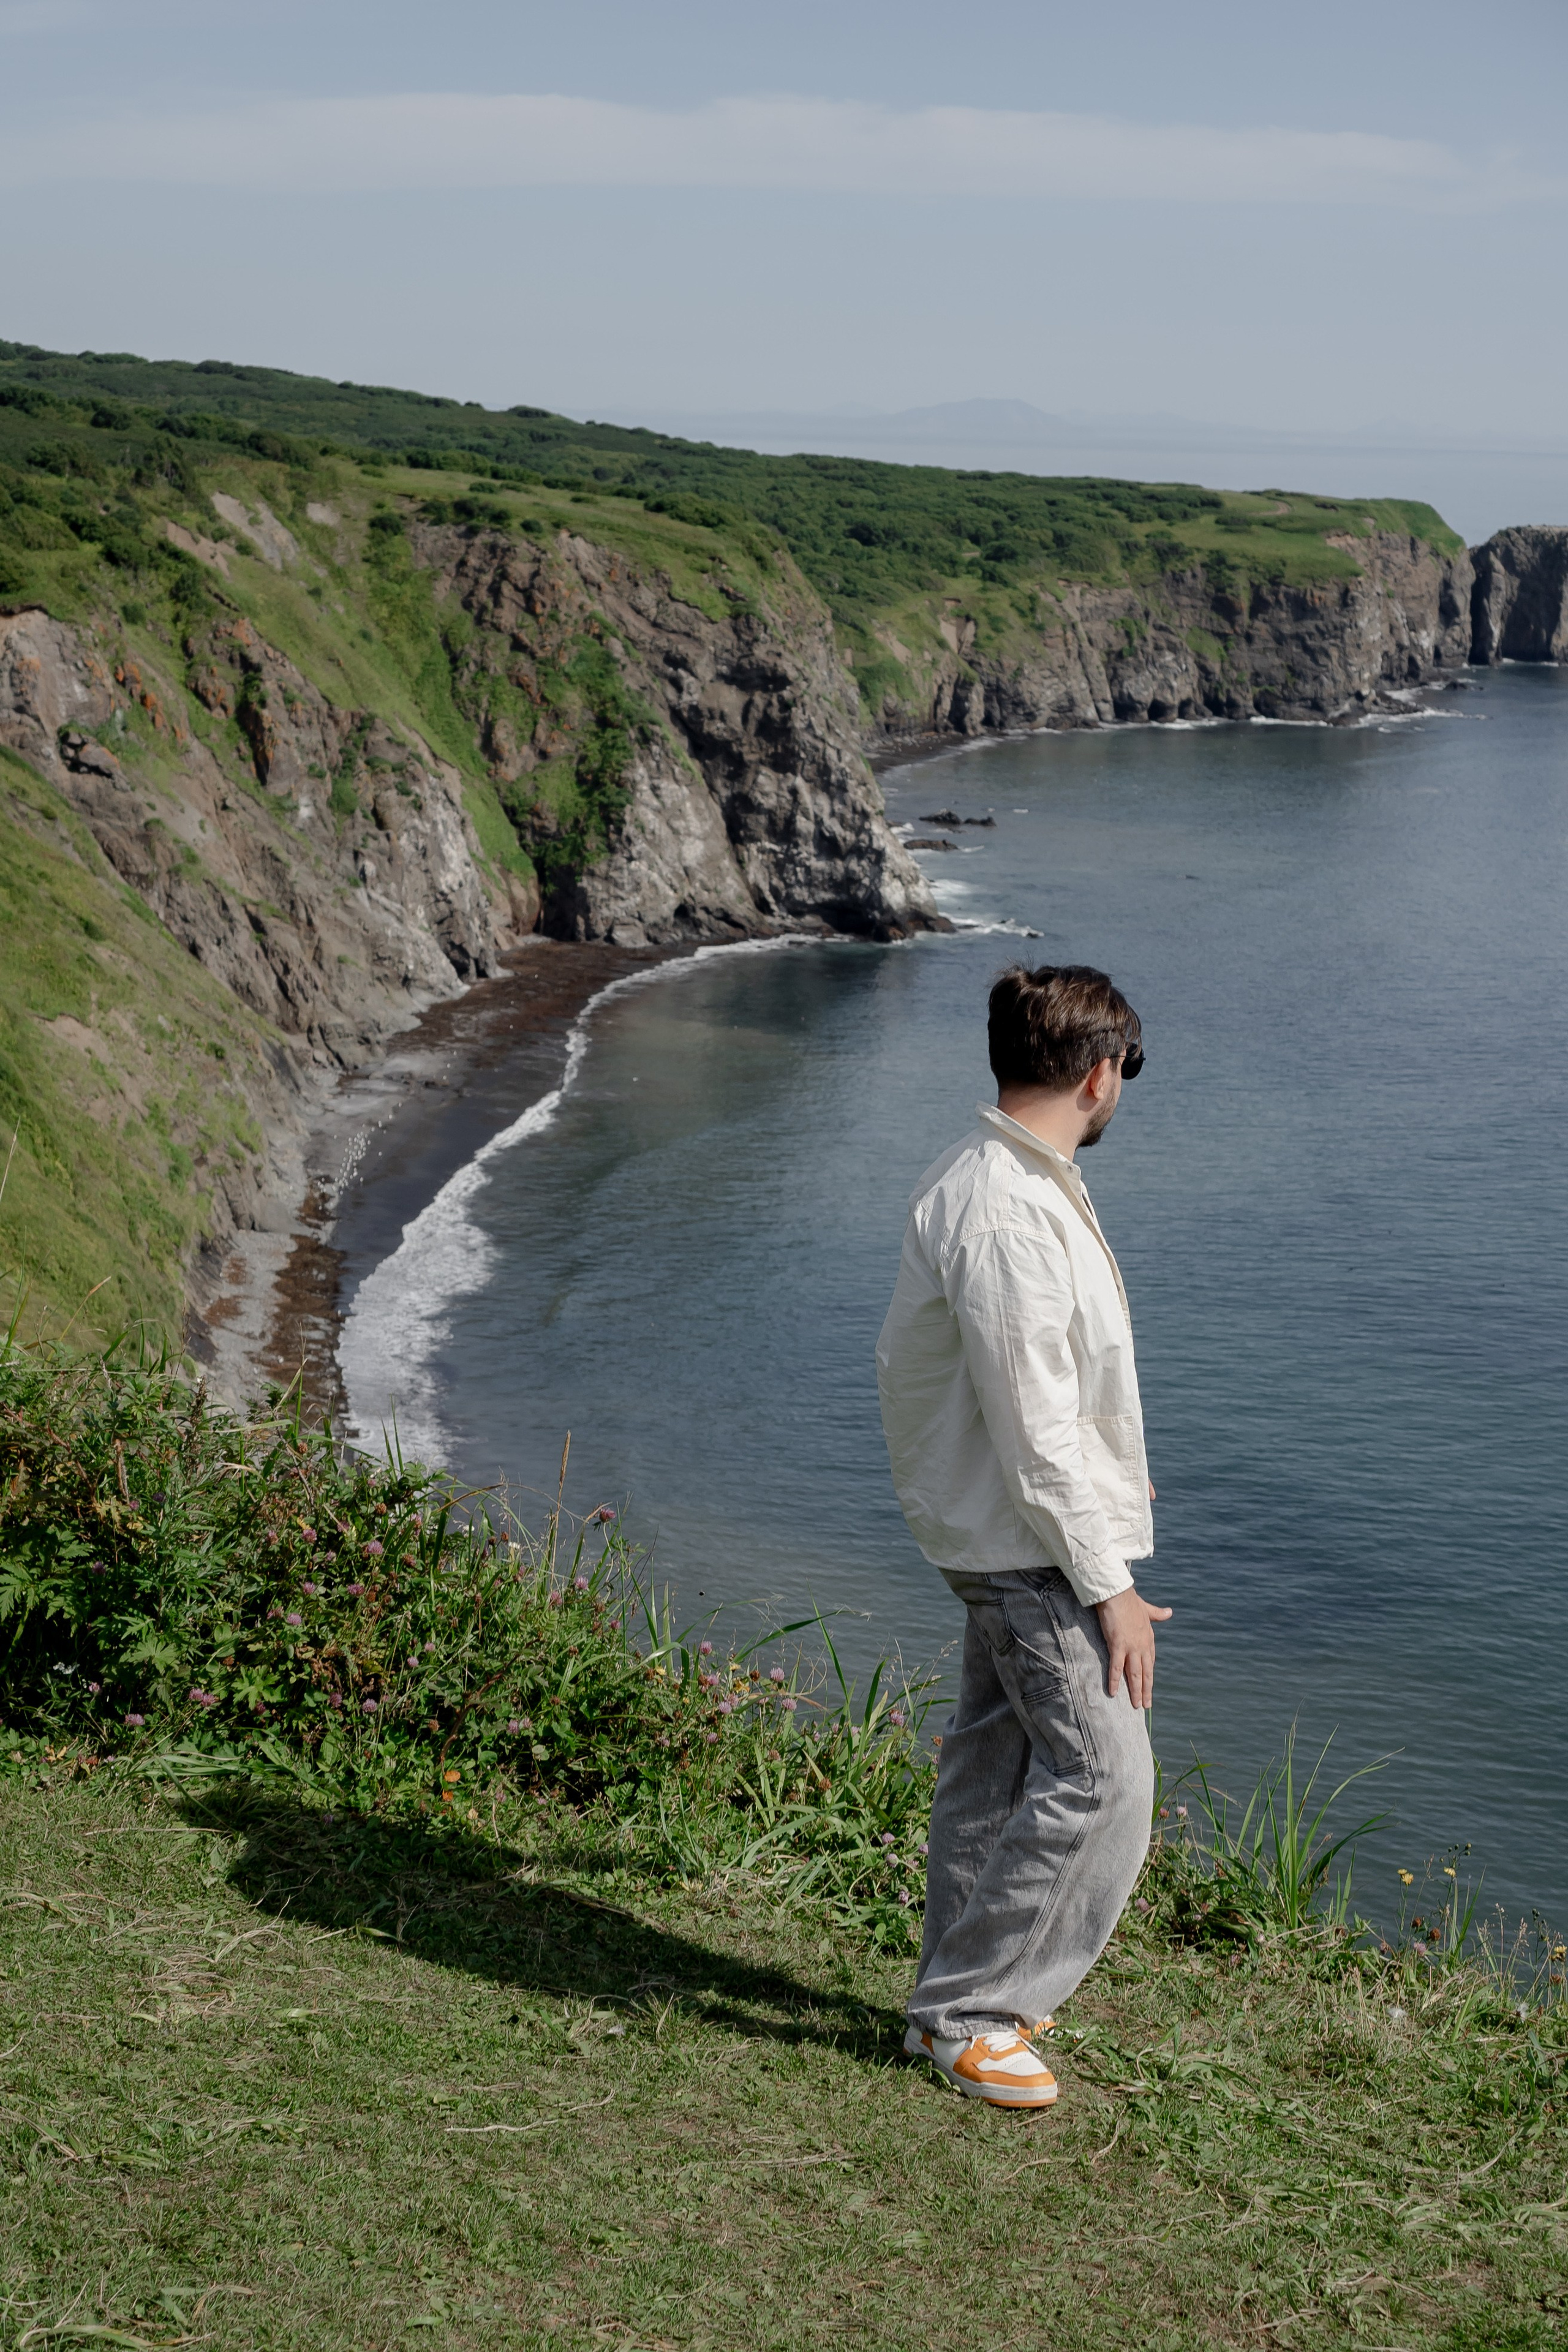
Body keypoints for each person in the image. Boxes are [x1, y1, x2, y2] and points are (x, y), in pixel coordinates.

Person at [876, 962, 1169, 2110]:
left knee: (996, 1766)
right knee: (1108, 1779)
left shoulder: (1006, 1176)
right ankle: (972, 2012)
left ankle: (959, 1990)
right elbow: (1036, 1424)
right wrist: (1111, 1585)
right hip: (1025, 1539)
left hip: (1002, 1526)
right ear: (1099, 1077)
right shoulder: (1006, 1208)